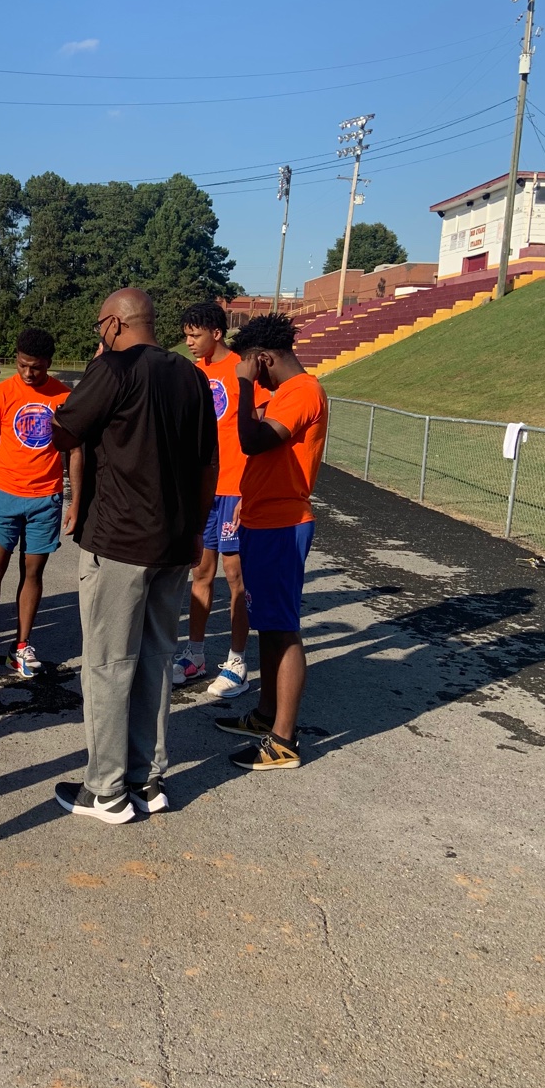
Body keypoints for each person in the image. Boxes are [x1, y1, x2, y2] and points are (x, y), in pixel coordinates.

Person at [50, 289, 218, 823]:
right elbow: (207, 465)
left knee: (106, 664)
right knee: (154, 662)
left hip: (119, 540)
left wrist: (97, 371)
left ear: (115, 324)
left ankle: (105, 789)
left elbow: (63, 430)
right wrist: (195, 529)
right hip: (174, 540)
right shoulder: (191, 375)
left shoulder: (114, 368)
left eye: (101, 325)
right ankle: (147, 779)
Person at [216, 313, 328, 771]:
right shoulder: (287, 393)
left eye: (249, 365)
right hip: (264, 519)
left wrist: (243, 387)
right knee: (268, 623)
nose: (248, 372)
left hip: (284, 524)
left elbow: (252, 440)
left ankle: (283, 740)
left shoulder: (303, 391)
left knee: (283, 629)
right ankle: (266, 715)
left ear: (263, 359)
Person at [0, 328, 78, 684]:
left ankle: (21, 647)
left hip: (46, 498)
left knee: (33, 574)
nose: (28, 374)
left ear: (49, 365)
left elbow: (75, 452)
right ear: (16, 359)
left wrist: (75, 502)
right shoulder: (0, 394)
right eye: (23, 366)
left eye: (37, 368)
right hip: (3, 496)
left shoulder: (64, 396)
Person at [172, 302, 252, 698]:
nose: (188, 341)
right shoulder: (194, 372)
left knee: (237, 578)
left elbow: (260, 435)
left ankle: (238, 662)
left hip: (236, 489)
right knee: (201, 573)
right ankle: (196, 655)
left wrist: (251, 489)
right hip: (204, 488)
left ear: (216, 333)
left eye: (194, 334)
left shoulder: (242, 370)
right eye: (186, 334)